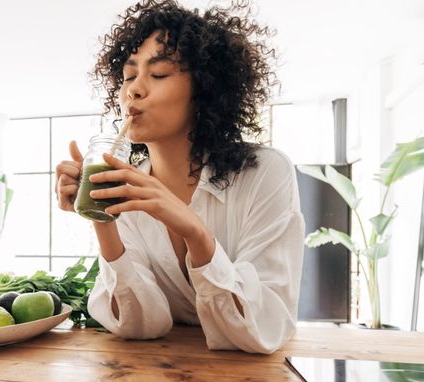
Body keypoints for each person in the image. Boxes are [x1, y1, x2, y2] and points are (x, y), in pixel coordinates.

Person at [55, 0, 304, 353]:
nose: (134, 90)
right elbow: (140, 325)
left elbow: (264, 328)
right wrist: (101, 215)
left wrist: (196, 232)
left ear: (204, 88)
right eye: (128, 76)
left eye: (158, 74)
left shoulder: (265, 173)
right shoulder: (125, 186)